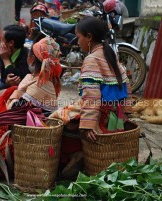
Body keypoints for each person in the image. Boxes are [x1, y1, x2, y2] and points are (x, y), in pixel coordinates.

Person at [0, 37, 62, 185]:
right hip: (22, 127)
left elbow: (16, 111)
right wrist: (5, 101)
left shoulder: (40, 84)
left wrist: (8, 99)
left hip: (28, 137)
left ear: (31, 59)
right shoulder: (36, 78)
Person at [49, 16, 132, 177]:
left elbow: (91, 96)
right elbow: (126, 84)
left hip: (101, 116)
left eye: (78, 37)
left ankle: (73, 158)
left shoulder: (92, 59)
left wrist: (88, 125)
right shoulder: (110, 54)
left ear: (89, 37)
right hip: (115, 114)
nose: (77, 41)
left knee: (56, 118)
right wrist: (126, 113)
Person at [0, 24, 31, 98]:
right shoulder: (5, 52)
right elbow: (3, 77)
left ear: (11, 43)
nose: (0, 42)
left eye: (2, 40)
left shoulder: (26, 56)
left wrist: (6, 59)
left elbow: (18, 78)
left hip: (25, 89)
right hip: (11, 86)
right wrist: (7, 82)